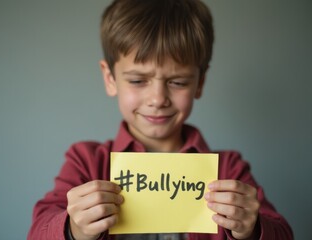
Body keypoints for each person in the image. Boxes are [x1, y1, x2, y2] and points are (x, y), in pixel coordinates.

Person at [28, 0, 293, 239]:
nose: (157, 99)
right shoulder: (85, 162)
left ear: (200, 82)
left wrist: (251, 229)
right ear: (110, 78)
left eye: (177, 82)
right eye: (137, 80)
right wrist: (73, 229)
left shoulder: (229, 170)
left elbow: (281, 232)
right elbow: (38, 230)